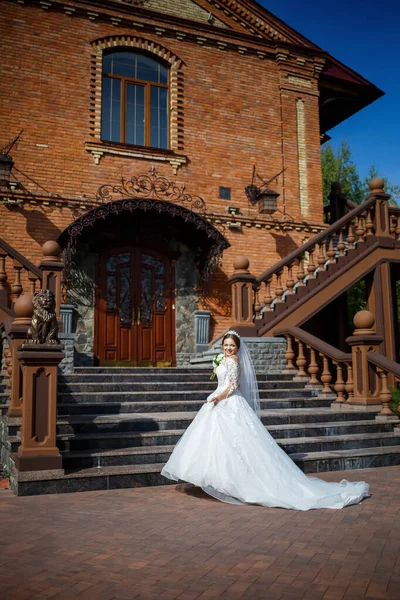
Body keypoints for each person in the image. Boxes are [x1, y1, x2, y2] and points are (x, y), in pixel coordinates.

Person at [161, 330, 370, 510]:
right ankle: (220, 479)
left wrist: (216, 397)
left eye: (232, 345)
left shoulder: (233, 362)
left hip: (228, 402)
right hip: (218, 402)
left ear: (237, 347)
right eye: (225, 345)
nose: (228, 348)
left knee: (236, 443)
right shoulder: (223, 359)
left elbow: (233, 386)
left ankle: (236, 481)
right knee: (217, 442)